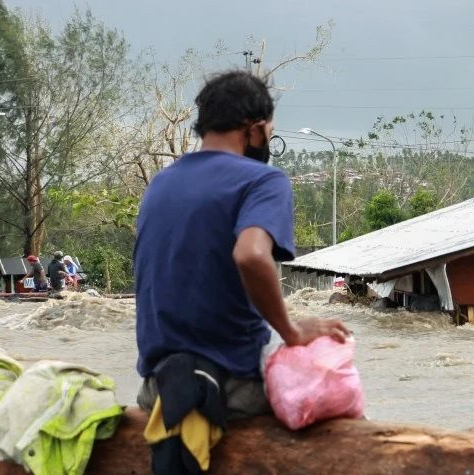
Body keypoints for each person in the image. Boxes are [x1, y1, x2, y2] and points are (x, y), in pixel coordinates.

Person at [134, 70, 350, 419]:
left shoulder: (160, 184)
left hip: (157, 390)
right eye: (270, 131)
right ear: (255, 128)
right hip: (230, 388)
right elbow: (250, 255)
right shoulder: (263, 181)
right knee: (332, 395)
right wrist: (292, 331)